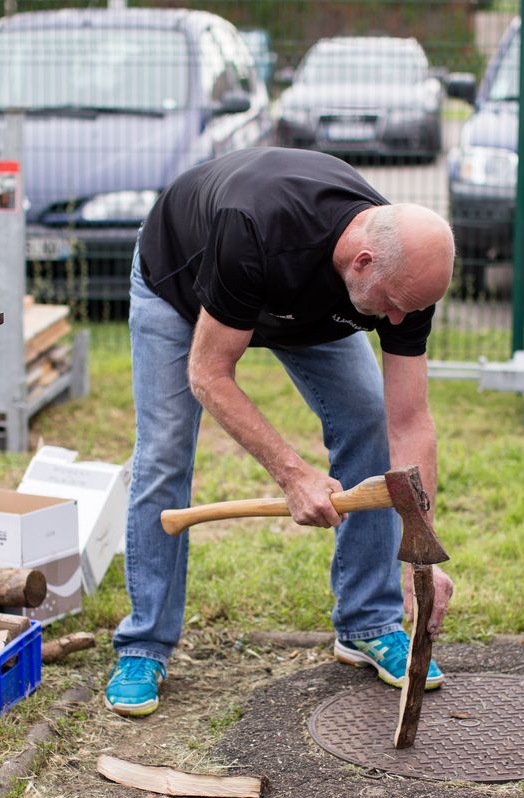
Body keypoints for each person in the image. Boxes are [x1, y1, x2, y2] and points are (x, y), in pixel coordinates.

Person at [106, 146, 456, 717]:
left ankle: (369, 623)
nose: (397, 321)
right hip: (183, 285)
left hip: (307, 306)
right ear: (363, 262)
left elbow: (409, 420)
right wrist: (292, 474)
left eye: (408, 310)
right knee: (164, 451)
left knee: (368, 419)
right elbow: (209, 375)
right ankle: (144, 645)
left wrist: (423, 555)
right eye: (392, 307)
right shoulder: (254, 227)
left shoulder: (406, 281)